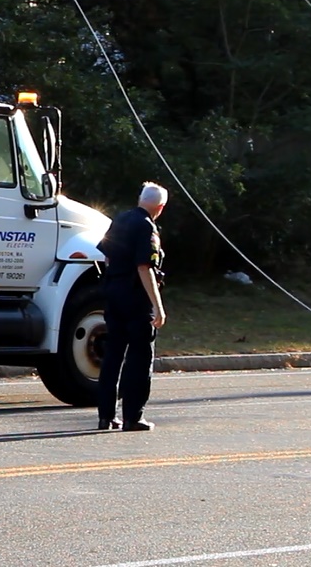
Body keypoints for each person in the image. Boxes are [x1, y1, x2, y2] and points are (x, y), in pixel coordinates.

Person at [95, 181, 168, 432]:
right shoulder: (146, 226)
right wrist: (157, 306)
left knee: (113, 355)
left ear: (140, 199)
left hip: (113, 293)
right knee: (139, 358)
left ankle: (106, 416)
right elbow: (144, 267)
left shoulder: (121, 219)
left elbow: (107, 256)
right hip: (136, 298)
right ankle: (132, 417)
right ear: (160, 207)